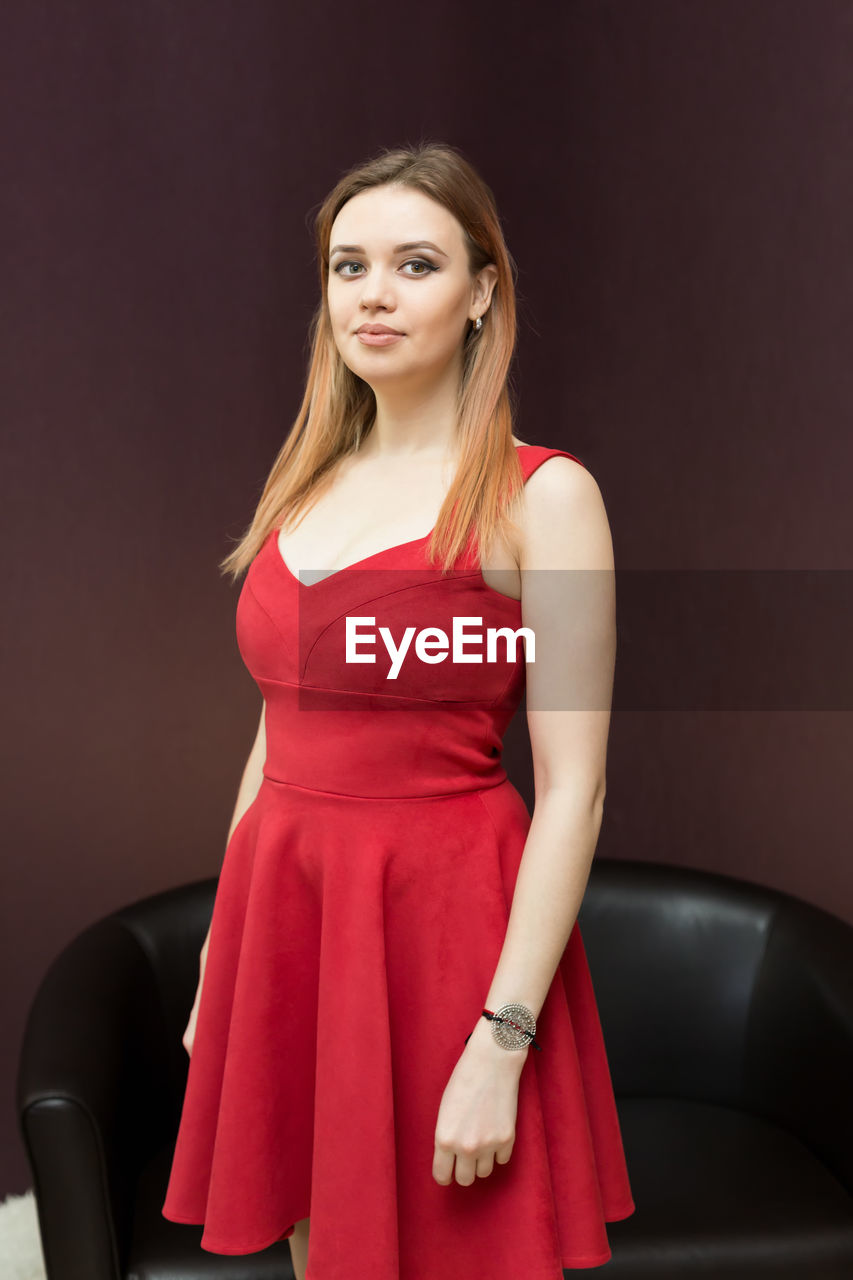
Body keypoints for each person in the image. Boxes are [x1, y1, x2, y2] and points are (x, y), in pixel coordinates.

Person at [161, 141, 635, 1278]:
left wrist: (501, 1040)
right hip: (294, 922)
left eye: (415, 264)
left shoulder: (544, 497)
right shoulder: (304, 482)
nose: (372, 294)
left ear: (482, 292)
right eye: (347, 266)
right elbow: (279, 727)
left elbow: (576, 790)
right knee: (321, 1252)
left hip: (446, 936)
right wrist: (225, 949)